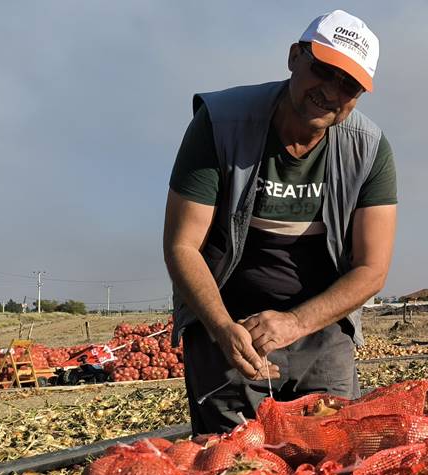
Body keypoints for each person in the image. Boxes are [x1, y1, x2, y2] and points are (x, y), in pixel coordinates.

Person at [163, 9, 397, 434]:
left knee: (330, 464)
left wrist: (296, 323)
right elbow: (182, 245)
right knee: (234, 466)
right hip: (231, 331)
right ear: (294, 57)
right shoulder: (220, 124)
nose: (330, 91)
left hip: (321, 330)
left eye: (349, 85)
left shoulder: (369, 149)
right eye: (323, 70)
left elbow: (372, 269)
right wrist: (220, 328)